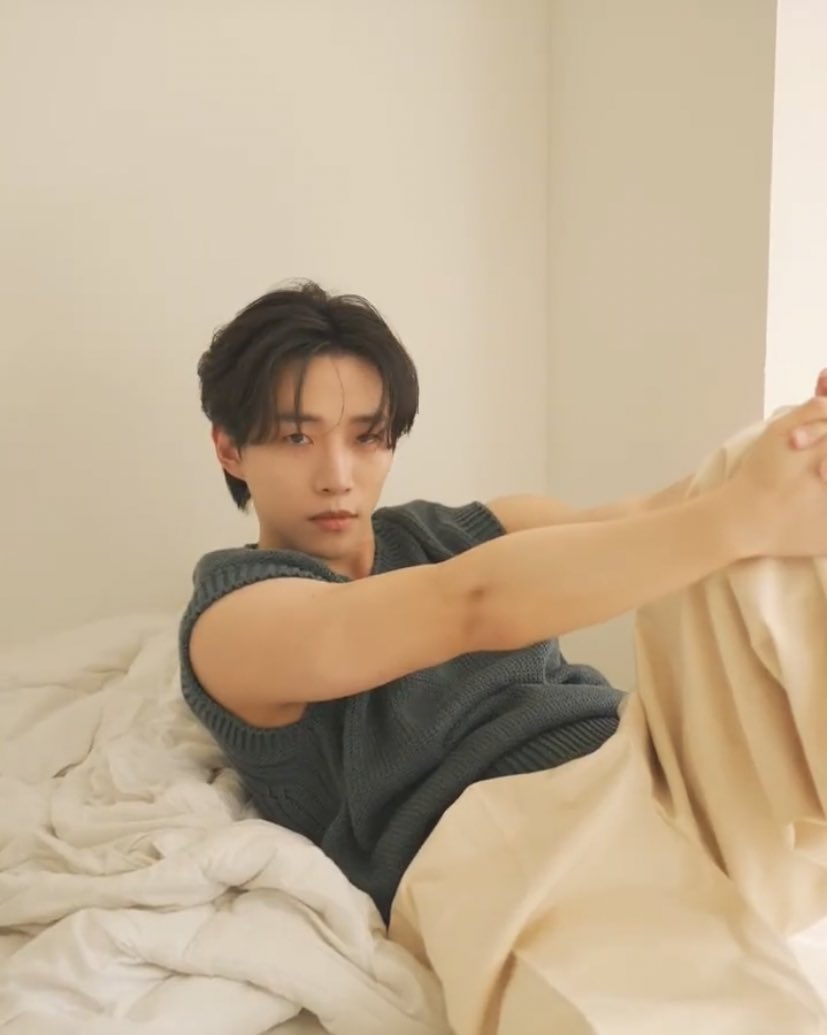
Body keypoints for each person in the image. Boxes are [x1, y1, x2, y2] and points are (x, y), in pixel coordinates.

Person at [179, 280, 827, 1034]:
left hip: (654, 765)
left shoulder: (462, 530)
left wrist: (798, 444)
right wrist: (740, 515)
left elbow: (652, 517)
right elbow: (468, 606)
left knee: (752, 466)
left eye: (366, 436)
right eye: (298, 438)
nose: (338, 474)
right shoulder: (235, 618)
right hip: (502, 845)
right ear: (230, 447)